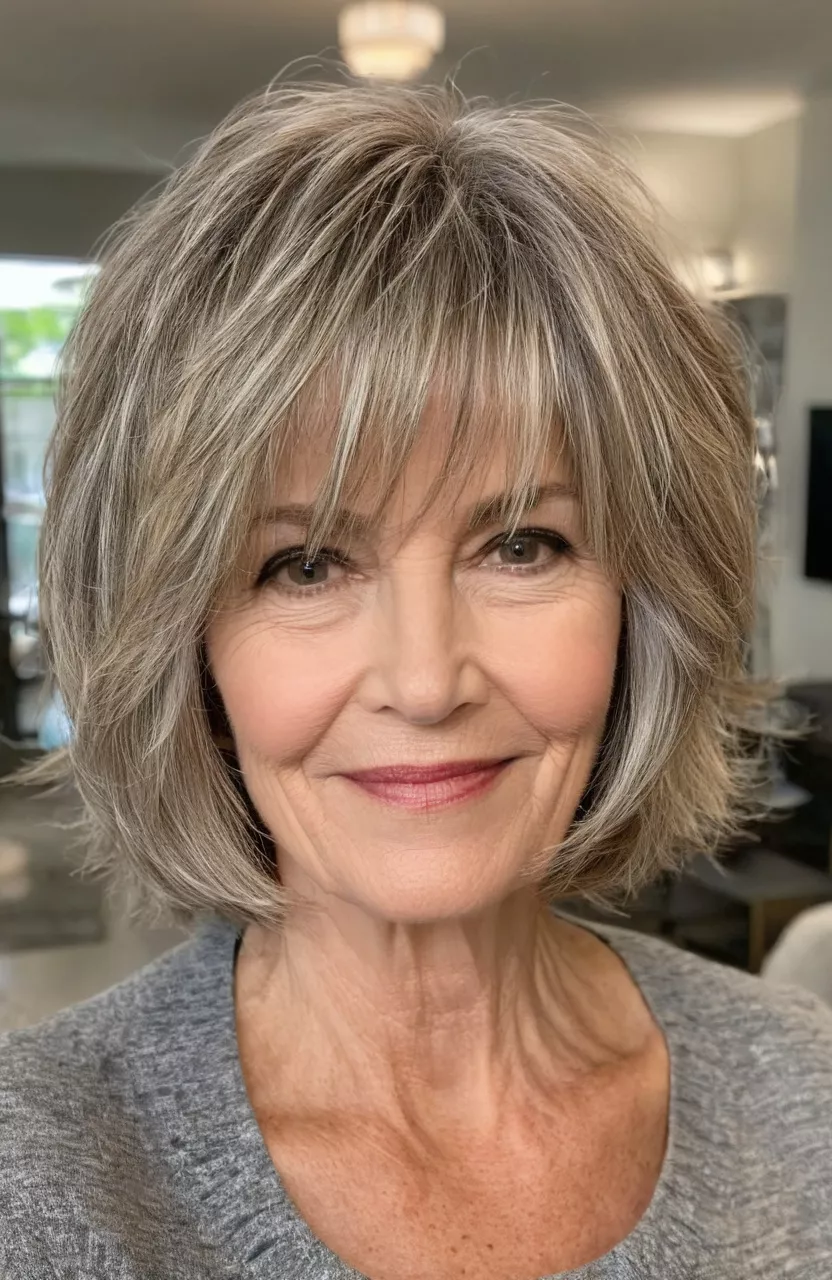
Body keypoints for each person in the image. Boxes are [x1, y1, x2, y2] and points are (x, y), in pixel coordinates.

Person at [1, 77, 830, 1280]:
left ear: (643, 599)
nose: (427, 679)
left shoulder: (805, 1092)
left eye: (522, 544)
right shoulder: (40, 1179)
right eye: (306, 562)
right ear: (179, 638)